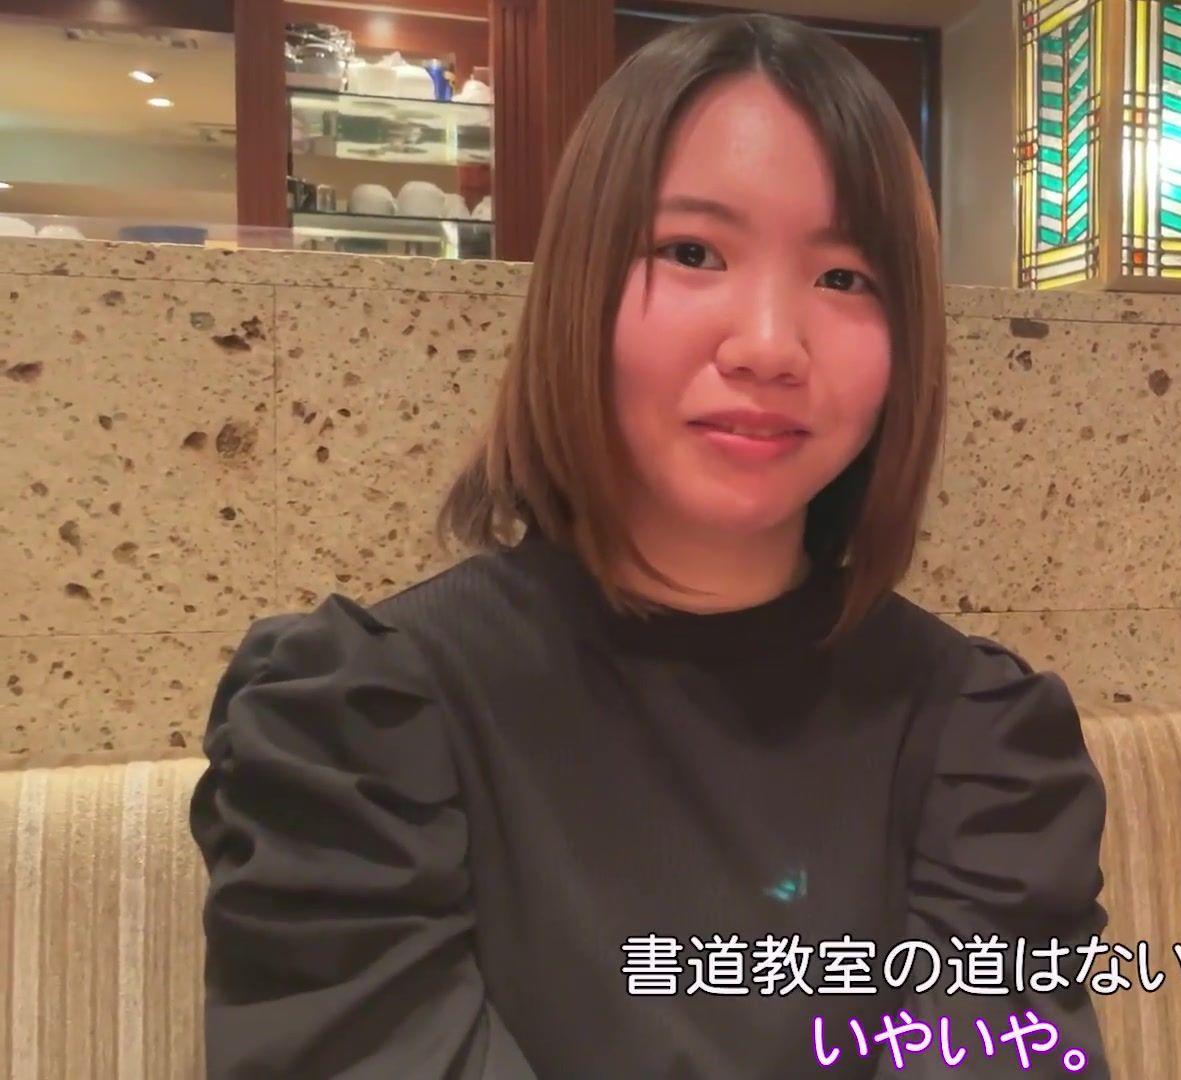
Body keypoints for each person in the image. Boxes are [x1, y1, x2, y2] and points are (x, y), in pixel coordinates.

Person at [187, 12, 1111, 1079]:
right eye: (691, 252)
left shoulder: (980, 745)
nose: (769, 346)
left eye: (845, 277)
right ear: (578, 286)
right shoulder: (359, 729)